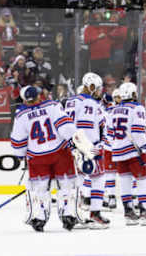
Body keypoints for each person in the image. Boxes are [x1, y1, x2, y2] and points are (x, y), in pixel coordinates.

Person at [10, 86, 77, 232]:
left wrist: (20, 155)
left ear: (23, 99)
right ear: (39, 95)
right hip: (60, 152)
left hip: (37, 156)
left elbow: (18, 141)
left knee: (40, 189)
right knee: (66, 185)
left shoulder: (21, 115)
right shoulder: (52, 106)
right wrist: (73, 142)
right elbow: (67, 128)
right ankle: (68, 214)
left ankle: (39, 217)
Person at [64, 72, 110, 229]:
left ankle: (72, 214)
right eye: (97, 89)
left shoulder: (70, 101)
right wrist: (95, 146)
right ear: (91, 87)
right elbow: (88, 127)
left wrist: (71, 145)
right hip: (87, 146)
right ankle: (94, 214)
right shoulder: (90, 102)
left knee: (76, 181)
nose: (99, 92)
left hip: (74, 145)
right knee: (98, 178)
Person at [109, 82, 146, 225]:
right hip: (133, 151)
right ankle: (144, 212)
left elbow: (110, 132)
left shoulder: (114, 109)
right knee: (143, 179)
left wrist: (116, 146)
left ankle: (129, 213)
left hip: (118, 150)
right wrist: (145, 149)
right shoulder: (137, 108)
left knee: (125, 181)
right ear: (133, 94)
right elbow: (137, 131)